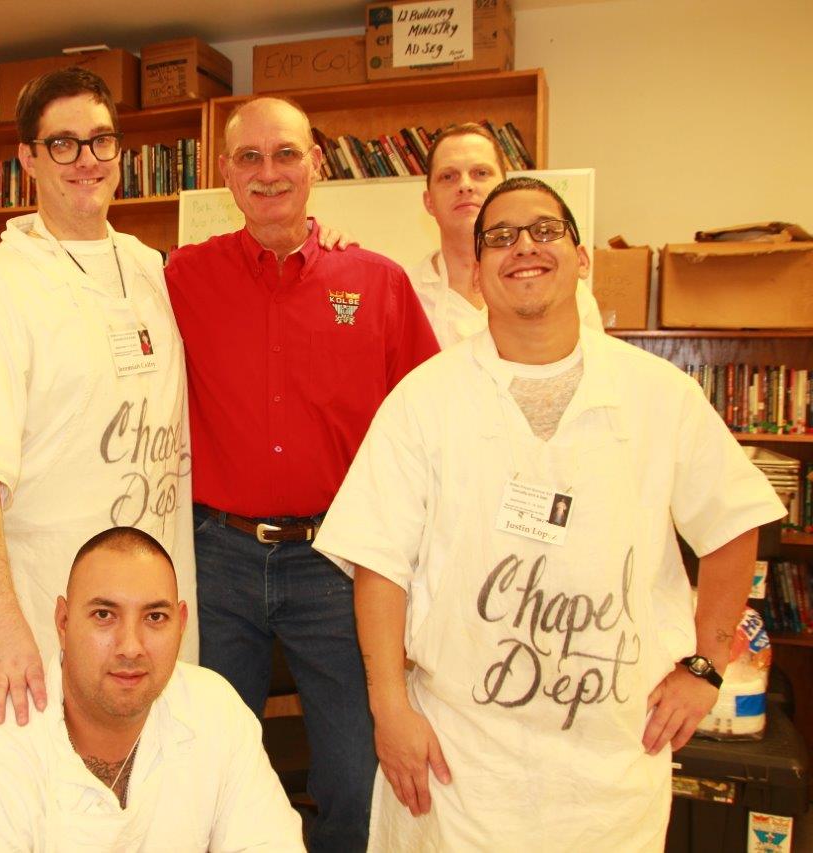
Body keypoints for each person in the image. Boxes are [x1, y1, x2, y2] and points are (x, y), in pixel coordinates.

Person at [315, 177, 785, 850]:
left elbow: (734, 520)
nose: (524, 247)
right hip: (459, 760)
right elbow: (378, 561)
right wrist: (389, 709)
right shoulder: (424, 400)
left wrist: (707, 665)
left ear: (581, 257)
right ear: (476, 274)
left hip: (611, 762)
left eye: (544, 230)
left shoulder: (659, 394)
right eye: (500, 237)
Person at [164, 96, 439, 851]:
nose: (269, 172)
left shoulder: (377, 283)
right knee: (207, 768)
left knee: (355, 775)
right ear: (226, 173)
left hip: (339, 562)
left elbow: (429, 426)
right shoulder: (181, 278)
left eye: (286, 153)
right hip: (215, 559)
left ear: (316, 163)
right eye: (249, 157)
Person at [0, 67, 195, 736]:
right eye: (63, 144)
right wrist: (0, 623)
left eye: (101, 140)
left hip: (143, 611)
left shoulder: (151, 269)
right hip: (37, 614)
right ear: (27, 158)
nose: (86, 160)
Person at [0, 527, 304, 850]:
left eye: (155, 617)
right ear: (63, 622)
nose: (131, 647)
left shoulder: (215, 711)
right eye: (104, 615)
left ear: (180, 623)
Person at [410, 123, 604, 348]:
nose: (465, 186)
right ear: (429, 201)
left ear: (503, 188)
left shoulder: (565, 290)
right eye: (448, 176)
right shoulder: (406, 294)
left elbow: (597, 363)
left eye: (480, 173)